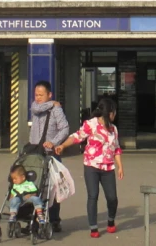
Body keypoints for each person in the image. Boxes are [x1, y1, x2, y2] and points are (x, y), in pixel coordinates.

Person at [55, 97, 124, 239]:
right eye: (114, 111)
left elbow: (116, 148)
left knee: (112, 198)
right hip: (91, 166)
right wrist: (63, 145)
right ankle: (93, 227)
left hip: (108, 167)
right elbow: (77, 137)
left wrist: (120, 166)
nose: (115, 114)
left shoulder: (113, 129)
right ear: (109, 112)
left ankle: (111, 220)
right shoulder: (91, 124)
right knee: (93, 196)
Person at [30, 80, 69, 232]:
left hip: (50, 154)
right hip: (35, 154)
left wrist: (53, 142)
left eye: (41, 95)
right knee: (34, 186)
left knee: (52, 188)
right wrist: (52, 103)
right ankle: (35, 217)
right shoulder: (35, 108)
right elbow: (36, 107)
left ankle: (54, 219)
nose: (38, 97)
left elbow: (65, 128)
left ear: (49, 94)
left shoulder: (56, 110)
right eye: (36, 94)